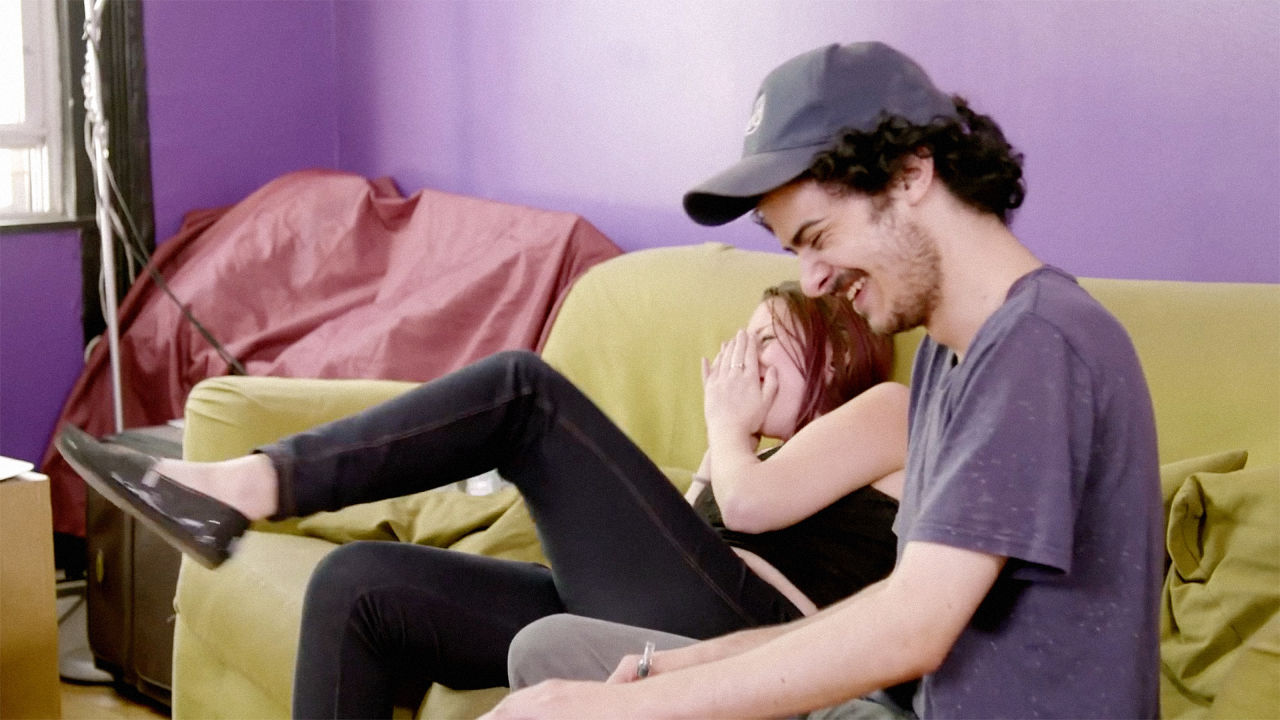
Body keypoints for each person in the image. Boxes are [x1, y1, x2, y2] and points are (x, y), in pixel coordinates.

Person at [482, 41, 1162, 720]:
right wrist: (683, 666)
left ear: (911, 174)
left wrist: (639, 708)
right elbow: (899, 600)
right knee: (557, 659)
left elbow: (912, 629)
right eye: (795, 251)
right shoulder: (949, 355)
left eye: (818, 236)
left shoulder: (1039, 341)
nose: (811, 282)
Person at [57, 280, 909, 718]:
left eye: (769, 341)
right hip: (665, 608)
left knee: (523, 393)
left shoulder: (889, 408)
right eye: (741, 338)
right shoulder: (750, 451)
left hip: (758, 635)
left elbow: (749, 514)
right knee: (359, 586)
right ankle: (246, 488)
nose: (740, 358)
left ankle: (250, 483)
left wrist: (725, 427)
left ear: (835, 354)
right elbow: (689, 532)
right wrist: (724, 447)